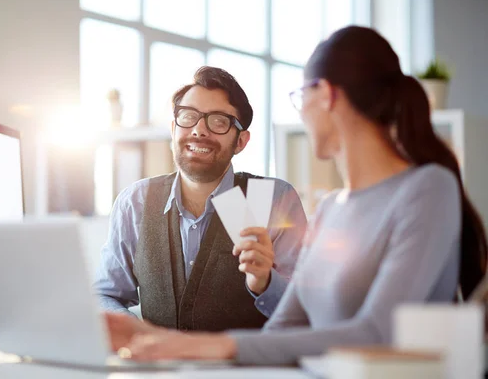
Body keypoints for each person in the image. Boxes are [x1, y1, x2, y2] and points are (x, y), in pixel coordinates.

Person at [104, 26, 488, 365]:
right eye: (189, 117)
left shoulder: (428, 189)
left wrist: (208, 345)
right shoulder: (331, 211)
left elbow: (376, 331)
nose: (301, 111)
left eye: (300, 95)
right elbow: (284, 331)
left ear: (326, 96)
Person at [94, 66, 308, 332]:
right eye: (188, 116)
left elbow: (307, 311)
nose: (198, 130)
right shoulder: (135, 202)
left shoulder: (272, 199)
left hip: (243, 369)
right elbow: (105, 295)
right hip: (159, 370)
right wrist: (136, 331)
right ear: (173, 129)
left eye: (218, 121)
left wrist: (266, 282)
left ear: (241, 141)